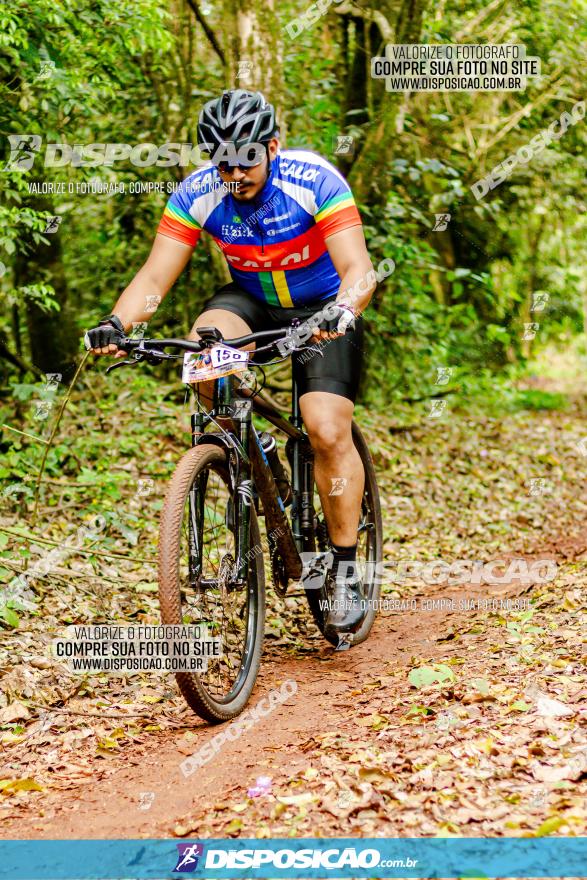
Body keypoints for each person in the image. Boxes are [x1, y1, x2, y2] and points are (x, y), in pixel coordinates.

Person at [85, 89, 377, 640]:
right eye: (223, 161)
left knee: (325, 426)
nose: (235, 172)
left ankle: (342, 570)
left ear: (273, 146)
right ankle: (256, 449)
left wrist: (344, 308)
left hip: (323, 307)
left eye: (247, 158)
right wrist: (120, 324)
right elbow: (153, 278)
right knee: (202, 353)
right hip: (250, 299)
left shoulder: (313, 181)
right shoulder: (199, 192)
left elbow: (359, 266)